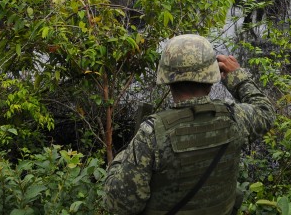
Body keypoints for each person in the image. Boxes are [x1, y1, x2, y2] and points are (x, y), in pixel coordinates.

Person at [103, 34, 274, 215]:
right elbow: (266, 111)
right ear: (211, 78)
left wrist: (121, 159)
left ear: (168, 80)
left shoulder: (151, 134)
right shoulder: (235, 118)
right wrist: (238, 77)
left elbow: (120, 205)